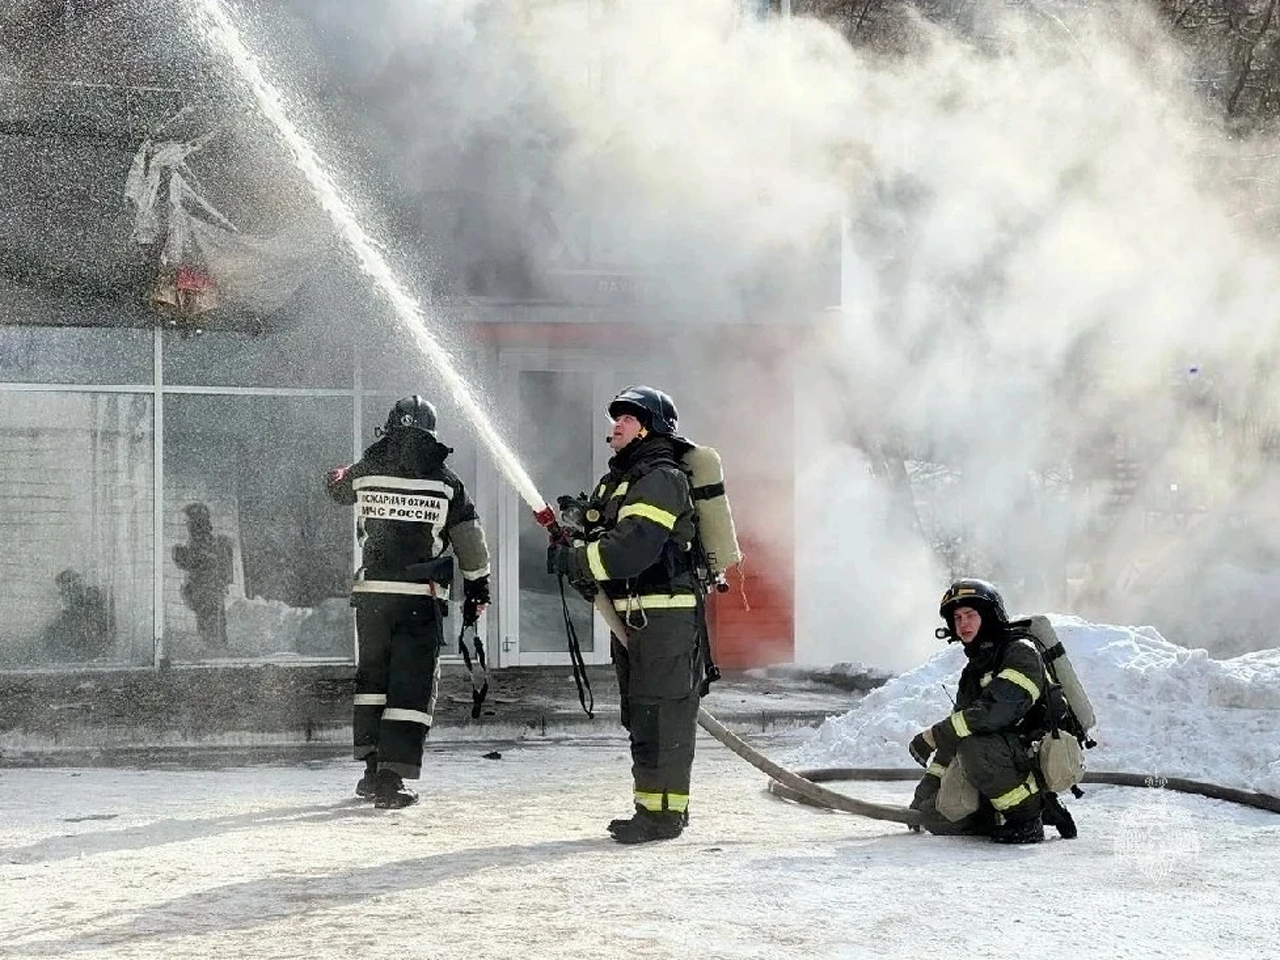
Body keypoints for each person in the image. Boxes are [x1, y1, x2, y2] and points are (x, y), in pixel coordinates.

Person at [547, 385, 704, 844]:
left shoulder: (661, 476)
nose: (615, 425)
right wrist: (575, 537)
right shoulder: (621, 479)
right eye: (615, 418)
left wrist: (579, 560)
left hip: (666, 614)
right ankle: (649, 807)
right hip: (637, 613)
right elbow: (606, 539)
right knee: (642, 712)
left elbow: (632, 549)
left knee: (664, 714)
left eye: (628, 419)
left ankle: (666, 815)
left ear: (651, 427)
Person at [325, 395, 490, 809]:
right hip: (420, 599)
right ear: (431, 434)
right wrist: (478, 589)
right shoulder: (446, 482)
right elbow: (469, 541)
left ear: (389, 429)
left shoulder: (365, 471)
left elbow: (337, 489)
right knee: (410, 688)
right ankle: (391, 779)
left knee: (373, 684)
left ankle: (370, 770)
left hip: (373, 600)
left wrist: (337, 474)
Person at [907, 578, 1053, 844]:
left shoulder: (1020, 653)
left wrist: (932, 735)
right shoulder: (975, 670)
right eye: (957, 617)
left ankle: (1028, 819)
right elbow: (956, 733)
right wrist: (924, 794)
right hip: (1000, 756)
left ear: (989, 616)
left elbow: (996, 711)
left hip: (1031, 754)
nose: (963, 624)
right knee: (938, 818)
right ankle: (993, 815)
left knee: (975, 747)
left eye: (970, 615)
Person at [172, 502, 233, 648]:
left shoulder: (201, 539)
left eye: (189, 520)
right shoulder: (200, 538)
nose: (187, 524)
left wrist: (179, 553)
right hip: (210, 591)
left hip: (207, 592)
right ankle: (217, 651)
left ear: (196, 520)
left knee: (210, 630)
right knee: (213, 627)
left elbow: (200, 561)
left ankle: (215, 654)